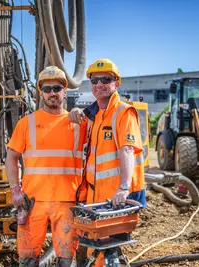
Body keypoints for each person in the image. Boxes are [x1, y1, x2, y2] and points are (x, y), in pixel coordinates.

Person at [5, 66, 87, 267]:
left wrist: (81, 110)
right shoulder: (27, 123)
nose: (52, 93)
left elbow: (102, 115)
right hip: (33, 203)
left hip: (67, 202)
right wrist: (15, 190)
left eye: (57, 88)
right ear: (40, 91)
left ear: (65, 91)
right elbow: (11, 157)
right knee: (27, 259)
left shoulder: (79, 123)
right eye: (47, 88)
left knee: (66, 260)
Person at [69, 58, 146, 266]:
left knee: (108, 252)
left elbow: (127, 150)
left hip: (115, 198)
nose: (99, 84)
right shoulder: (95, 115)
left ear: (116, 83)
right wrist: (75, 113)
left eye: (106, 79)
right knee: (97, 250)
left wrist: (123, 187)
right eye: (94, 80)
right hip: (96, 197)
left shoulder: (123, 112)